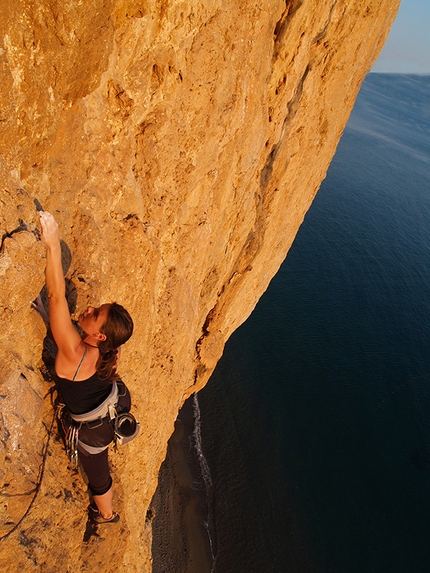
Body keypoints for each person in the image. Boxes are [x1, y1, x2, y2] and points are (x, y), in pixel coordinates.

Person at [36, 211, 134, 523]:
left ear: (99, 335)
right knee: (99, 468)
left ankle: (106, 514)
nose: (89, 307)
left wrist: (52, 245)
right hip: (116, 402)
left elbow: (56, 297)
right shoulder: (110, 349)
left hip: (95, 431)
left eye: (95, 313)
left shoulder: (76, 353)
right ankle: (104, 510)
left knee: (98, 471)